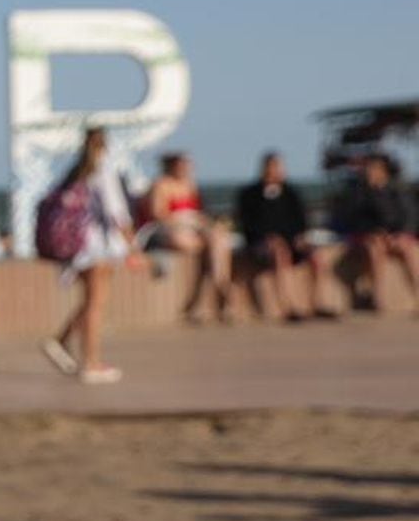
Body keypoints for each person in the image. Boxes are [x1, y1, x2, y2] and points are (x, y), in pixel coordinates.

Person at [41, 126, 136, 385]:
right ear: (106, 145)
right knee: (96, 304)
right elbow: (117, 212)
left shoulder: (76, 171)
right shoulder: (103, 171)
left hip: (78, 246)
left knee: (89, 301)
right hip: (99, 246)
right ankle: (91, 362)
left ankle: (61, 341)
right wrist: (133, 246)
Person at [235, 152, 338, 322]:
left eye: (279, 167)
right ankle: (288, 306)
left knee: (317, 256)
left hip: (291, 241)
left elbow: (300, 222)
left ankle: (317, 303)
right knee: (280, 252)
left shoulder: (291, 193)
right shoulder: (249, 195)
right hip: (262, 245)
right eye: (273, 167)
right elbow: (247, 224)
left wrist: (298, 238)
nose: (277, 171)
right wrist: (268, 238)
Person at [140, 151, 234, 324]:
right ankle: (221, 289)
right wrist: (184, 219)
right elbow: (157, 214)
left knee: (217, 240)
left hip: (191, 230)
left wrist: (199, 222)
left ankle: (206, 294)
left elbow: (199, 212)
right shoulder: (160, 185)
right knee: (211, 249)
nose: (186, 169)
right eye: (182, 166)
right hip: (168, 230)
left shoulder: (189, 184)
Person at [337, 154, 419, 315]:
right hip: (371, 236)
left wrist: (398, 234)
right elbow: (354, 218)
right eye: (369, 170)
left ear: (384, 171)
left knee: (408, 249)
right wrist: (374, 231)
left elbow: (409, 215)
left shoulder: (397, 190)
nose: (370, 173)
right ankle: (378, 297)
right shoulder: (360, 192)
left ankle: (417, 293)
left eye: (374, 170)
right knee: (375, 249)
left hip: (396, 234)